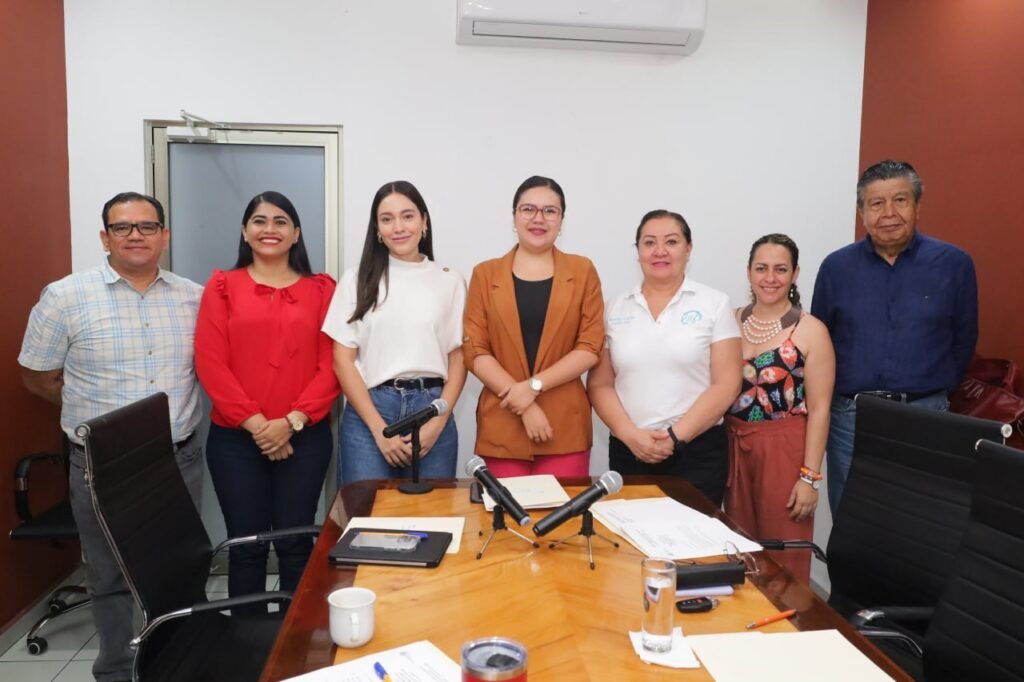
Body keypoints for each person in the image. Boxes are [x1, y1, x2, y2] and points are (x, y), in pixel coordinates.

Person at [19, 192, 203, 682]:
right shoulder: (64, 297)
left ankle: (176, 663)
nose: (135, 235)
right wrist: (94, 415)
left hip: (177, 459)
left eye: (147, 226)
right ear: (105, 237)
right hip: (101, 464)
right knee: (109, 575)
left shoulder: (194, 296)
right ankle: (118, 671)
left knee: (180, 567)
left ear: (164, 235)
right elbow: (38, 376)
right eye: (122, 227)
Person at [194, 191, 339, 610]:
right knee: (247, 546)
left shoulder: (322, 290)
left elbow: (332, 365)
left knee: (295, 543)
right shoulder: (222, 286)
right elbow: (210, 362)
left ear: (296, 233)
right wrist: (260, 426)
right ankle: (248, 641)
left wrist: (290, 422)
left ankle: (293, 641)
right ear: (245, 231)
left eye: (280, 221)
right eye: (259, 221)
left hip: (304, 438)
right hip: (236, 442)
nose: (269, 229)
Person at [812, 160, 978, 515]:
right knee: (853, 520)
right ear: (862, 213)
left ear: (917, 205)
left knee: (923, 519)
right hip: (852, 419)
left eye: (900, 200)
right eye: (876, 203)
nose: (889, 213)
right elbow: (819, 345)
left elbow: (965, 338)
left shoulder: (954, 264)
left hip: (926, 415)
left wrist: (933, 393)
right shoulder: (836, 268)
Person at [588, 210, 741, 505]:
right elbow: (599, 384)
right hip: (629, 450)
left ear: (688, 248)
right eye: (649, 243)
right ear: (637, 251)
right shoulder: (615, 307)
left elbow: (727, 384)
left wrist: (674, 437)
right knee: (630, 533)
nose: (660, 251)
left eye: (671, 242)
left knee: (694, 534)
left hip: (696, 453)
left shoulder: (714, 304)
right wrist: (630, 435)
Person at [322, 181, 466, 484]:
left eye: (408, 216)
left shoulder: (450, 280)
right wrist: (379, 430)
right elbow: (342, 361)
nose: (398, 227)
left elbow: (459, 359)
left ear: (424, 222)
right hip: (370, 412)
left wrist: (438, 422)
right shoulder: (357, 279)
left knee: (433, 511)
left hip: (433, 408)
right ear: (377, 229)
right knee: (367, 510)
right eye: (387, 219)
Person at [463, 176, 604, 477]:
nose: (538, 218)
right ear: (514, 216)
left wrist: (533, 387)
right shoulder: (485, 274)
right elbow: (475, 350)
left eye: (550, 211)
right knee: (502, 509)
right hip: (502, 421)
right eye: (528, 209)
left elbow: (590, 346)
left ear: (561, 220)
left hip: (564, 426)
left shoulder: (582, 271)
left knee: (565, 509)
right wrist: (525, 404)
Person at [724, 234, 835, 583]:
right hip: (733, 446)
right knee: (737, 551)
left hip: (785, 450)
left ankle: (790, 616)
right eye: (761, 268)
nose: (770, 278)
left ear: (795, 273)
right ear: (748, 272)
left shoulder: (811, 330)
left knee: (783, 555)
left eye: (780, 269)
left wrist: (809, 478)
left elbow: (820, 408)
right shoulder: (728, 321)